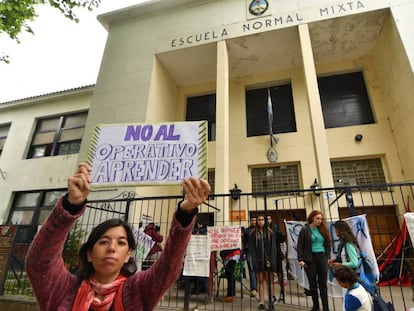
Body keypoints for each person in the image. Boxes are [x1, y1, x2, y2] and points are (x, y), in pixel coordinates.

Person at [25, 162, 211, 311]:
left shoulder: (139, 290)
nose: (112, 247)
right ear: (89, 253)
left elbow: (169, 266)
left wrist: (186, 212)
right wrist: (71, 205)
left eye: (121, 242)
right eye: (104, 241)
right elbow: (40, 261)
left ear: (128, 254)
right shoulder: (63, 289)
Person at [297, 210, 332, 311]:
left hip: (322, 257)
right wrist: (300, 259)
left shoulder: (323, 229)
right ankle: (316, 306)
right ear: (312, 218)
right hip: (310, 259)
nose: (320, 221)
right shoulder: (305, 229)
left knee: (323, 284)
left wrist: (327, 257)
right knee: (312, 284)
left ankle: (326, 307)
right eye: (317, 218)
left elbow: (328, 244)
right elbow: (300, 246)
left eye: (321, 219)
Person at [248, 214, 280, 310]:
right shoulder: (253, 234)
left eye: (262, 219)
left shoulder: (270, 233)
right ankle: (261, 302)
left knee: (269, 282)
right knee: (260, 281)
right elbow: (252, 249)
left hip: (268, 261)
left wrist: (272, 261)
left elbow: (273, 248)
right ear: (256, 221)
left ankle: (270, 301)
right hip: (258, 261)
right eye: (259, 219)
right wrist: (254, 261)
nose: (261, 221)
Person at [267, 214, 286, 302]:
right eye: (266, 219)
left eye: (269, 219)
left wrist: (281, 233)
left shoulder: (275, 228)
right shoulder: (262, 229)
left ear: (271, 220)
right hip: (267, 255)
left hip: (277, 254)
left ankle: (282, 291)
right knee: (269, 275)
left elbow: (282, 239)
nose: (267, 220)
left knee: (279, 274)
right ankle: (272, 295)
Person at [243, 216, 258, 297]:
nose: (254, 222)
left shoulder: (260, 230)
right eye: (252, 220)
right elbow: (244, 242)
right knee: (252, 270)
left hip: (258, 252)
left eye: (255, 220)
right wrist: (244, 253)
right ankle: (254, 288)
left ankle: (257, 287)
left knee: (258, 271)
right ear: (250, 221)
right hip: (249, 252)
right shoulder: (246, 231)